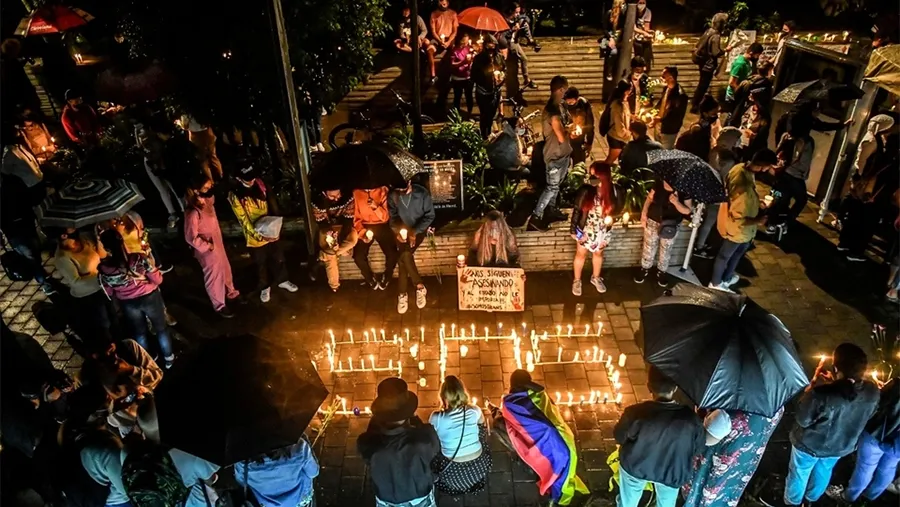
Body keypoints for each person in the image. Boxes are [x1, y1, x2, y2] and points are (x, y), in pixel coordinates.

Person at [761, 343, 880, 507]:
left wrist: (812, 387)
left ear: (836, 368)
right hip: (840, 446)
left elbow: (803, 419)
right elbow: (865, 411)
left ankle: (792, 502)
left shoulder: (822, 394)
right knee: (824, 471)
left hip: (809, 445)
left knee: (799, 472)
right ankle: (811, 500)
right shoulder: (872, 391)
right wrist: (834, 384)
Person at [491, 369, 589, 505]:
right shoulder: (541, 395)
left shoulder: (510, 403)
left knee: (557, 467)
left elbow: (511, 424)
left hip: (554, 442)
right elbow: (550, 413)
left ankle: (556, 495)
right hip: (565, 438)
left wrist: (494, 412)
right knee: (562, 465)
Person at [614, 366, 706, 507]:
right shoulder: (691, 419)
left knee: (628, 502)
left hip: (636, 466)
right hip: (672, 472)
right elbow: (698, 448)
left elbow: (619, 436)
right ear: (675, 388)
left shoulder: (635, 413)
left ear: (649, 387)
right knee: (666, 503)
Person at [358, 377, 441, 507]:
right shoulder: (424, 438)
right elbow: (435, 455)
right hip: (419, 495)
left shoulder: (368, 442)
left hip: (386, 497)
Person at [97, 230, 175, 369]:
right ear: (122, 241)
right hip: (150, 297)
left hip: (128, 303)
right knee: (161, 328)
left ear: (106, 248)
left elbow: (109, 292)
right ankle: (169, 358)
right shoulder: (139, 258)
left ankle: (147, 361)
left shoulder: (104, 269)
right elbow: (158, 280)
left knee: (139, 332)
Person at [683, 407, 784, 507]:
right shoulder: (775, 405)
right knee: (730, 483)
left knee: (708, 482)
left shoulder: (728, 413)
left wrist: (704, 415)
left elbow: (708, 436)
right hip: (747, 452)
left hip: (718, 450)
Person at [708, 150, 778, 291]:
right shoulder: (744, 189)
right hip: (738, 231)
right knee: (724, 256)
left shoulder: (739, 168)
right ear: (763, 166)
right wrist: (758, 221)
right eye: (769, 166)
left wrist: (757, 202)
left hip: (743, 230)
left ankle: (727, 278)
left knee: (738, 253)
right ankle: (715, 284)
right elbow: (738, 220)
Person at [228, 161, 298, 303]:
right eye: (247, 179)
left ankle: (282, 280)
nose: (251, 180)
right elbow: (244, 220)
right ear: (238, 178)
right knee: (260, 263)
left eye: (252, 177)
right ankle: (264, 287)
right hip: (254, 235)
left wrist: (275, 226)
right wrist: (259, 235)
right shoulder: (235, 195)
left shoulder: (260, 184)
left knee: (278, 257)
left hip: (270, 228)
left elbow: (272, 205)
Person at [827, 375, 899, 503]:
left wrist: (881, 390)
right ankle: (870, 495)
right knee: (888, 468)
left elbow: (881, 402)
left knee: (865, 467)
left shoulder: (897, 384)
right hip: (897, 445)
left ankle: (849, 496)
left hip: (877, 433)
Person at [837, 114, 897, 262]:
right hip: (866, 185)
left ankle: (845, 244)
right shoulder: (871, 141)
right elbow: (861, 162)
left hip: (865, 184)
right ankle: (853, 251)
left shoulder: (877, 139)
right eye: (888, 127)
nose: (890, 130)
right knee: (863, 219)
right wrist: (861, 179)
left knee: (856, 215)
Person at [80, 339, 164, 443]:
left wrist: (132, 370)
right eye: (104, 356)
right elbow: (95, 416)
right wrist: (111, 408)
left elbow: (158, 376)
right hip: (127, 424)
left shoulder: (128, 347)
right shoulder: (88, 377)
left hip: (154, 412)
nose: (114, 357)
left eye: (112, 350)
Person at [185, 178, 240, 317]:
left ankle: (231, 292)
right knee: (214, 276)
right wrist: (208, 246)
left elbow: (212, 195)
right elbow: (190, 237)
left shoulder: (207, 202)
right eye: (206, 187)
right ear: (196, 190)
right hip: (207, 249)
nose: (209, 189)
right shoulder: (193, 212)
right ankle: (219, 304)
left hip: (217, 242)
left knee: (225, 268)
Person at [428, 376, 491, 495]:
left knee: (434, 448)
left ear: (443, 397)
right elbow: (482, 425)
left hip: (452, 472)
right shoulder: (474, 410)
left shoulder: (437, 417)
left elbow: (431, 436)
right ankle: (472, 483)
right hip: (480, 465)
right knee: (480, 433)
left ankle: (455, 488)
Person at [54, 228, 115, 346]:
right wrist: (101, 277)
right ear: (63, 236)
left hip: (103, 287)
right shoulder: (62, 258)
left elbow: (102, 255)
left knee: (113, 316)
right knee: (104, 323)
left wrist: (98, 241)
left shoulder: (85, 238)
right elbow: (75, 281)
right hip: (89, 295)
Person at [530, 75, 573, 231]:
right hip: (554, 155)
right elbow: (561, 136)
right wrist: (569, 130)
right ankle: (536, 216)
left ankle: (552, 210)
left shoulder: (561, 107)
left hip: (563, 153)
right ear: (560, 90)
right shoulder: (552, 112)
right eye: (565, 90)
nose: (566, 93)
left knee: (556, 185)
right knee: (552, 187)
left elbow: (569, 123)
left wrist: (570, 128)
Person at [0, 172, 52, 294]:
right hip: (14, 230)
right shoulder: (12, 180)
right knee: (30, 256)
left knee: (34, 252)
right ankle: (43, 281)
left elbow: (26, 197)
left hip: (25, 223)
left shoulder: (12, 180)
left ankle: (41, 275)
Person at [635, 177, 692, 287]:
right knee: (649, 247)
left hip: (671, 224)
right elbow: (650, 198)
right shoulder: (659, 182)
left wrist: (676, 202)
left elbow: (687, 210)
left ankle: (661, 271)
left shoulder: (684, 188)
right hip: (653, 220)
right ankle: (645, 268)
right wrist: (644, 214)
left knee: (666, 249)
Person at [389, 180, 435, 314]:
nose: (402, 193)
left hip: (418, 230)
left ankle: (402, 293)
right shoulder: (393, 196)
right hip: (402, 231)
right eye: (399, 191)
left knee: (404, 255)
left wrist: (414, 232)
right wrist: (398, 231)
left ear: (409, 183)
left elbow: (430, 216)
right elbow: (393, 218)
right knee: (405, 255)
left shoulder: (422, 193)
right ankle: (419, 286)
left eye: (405, 190)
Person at [570, 162, 616, 295]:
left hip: (602, 228)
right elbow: (577, 210)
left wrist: (609, 226)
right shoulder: (586, 190)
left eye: (594, 175)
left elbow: (616, 210)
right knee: (581, 254)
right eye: (591, 175)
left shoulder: (612, 191)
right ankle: (577, 280)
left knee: (598, 253)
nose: (591, 178)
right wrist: (573, 230)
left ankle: (595, 277)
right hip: (586, 228)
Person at [234, 438, 320, 507]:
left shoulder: (243, 459)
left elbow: (241, 481)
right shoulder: (298, 446)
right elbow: (313, 472)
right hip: (300, 501)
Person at [136, 124, 185, 230]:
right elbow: (140, 149)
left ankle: (184, 210)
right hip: (151, 163)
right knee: (162, 189)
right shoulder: (146, 141)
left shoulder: (157, 140)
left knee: (174, 187)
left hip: (162, 162)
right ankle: (172, 213)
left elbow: (157, 151)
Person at [692, 147, 739, 260]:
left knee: (707, 222)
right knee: (708, 223)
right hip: (717, 199)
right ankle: (699, 247)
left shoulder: (713, 165)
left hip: (711, 197)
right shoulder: (726, 168)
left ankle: (699, 243)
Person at [767, 126, 814, 231]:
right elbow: (804, 163)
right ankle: (785, 222)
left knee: (779, 196)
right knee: (801, 199)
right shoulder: (806, 142)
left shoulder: (786, 135)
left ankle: (771, 223)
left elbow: (778, 151)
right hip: (794, 175)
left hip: (781, 172)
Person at [353, 185, 400, 291]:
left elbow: (385, 217)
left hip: (382, 225)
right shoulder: (356, 193)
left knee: (392, 253)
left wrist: (376, 207)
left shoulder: (383, 190)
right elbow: (356, 218)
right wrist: (362, 233)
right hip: (365, 225)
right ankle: (369, 278)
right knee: (358, 256)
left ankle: (387, 276)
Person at [312, 185, 357, 292]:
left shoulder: (348, 198)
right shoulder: (317, 203)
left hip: (343, 228)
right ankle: (334, 285)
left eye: (338, 195)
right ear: (324, 193)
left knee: (352, 240)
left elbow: (348, 221)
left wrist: (339, 243)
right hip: (327, 230)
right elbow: (322, 224)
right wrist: (332, 239)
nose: (336, 198)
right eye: (332, 196)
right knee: (330, 255)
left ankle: (325, 255)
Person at [77, 428, 131, 507]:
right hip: (121, 500)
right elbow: (125, 489)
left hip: (106, 500)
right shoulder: (110, 453)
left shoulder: (84, 450)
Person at [691, 13, 730, 113]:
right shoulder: (716, 35)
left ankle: (695, 104)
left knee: (701, 85)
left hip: (702, 62)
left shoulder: (708, 31)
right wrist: (726, 50)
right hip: (708, 65)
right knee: (703, 86)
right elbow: (715, 52)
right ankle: (695, 106)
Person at [472, 35, 505, 138]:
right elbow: (473, 76)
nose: (491, 51)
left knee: (491, 115)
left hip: (495, 91)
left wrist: (501, 77)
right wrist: (487, 74)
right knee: (484, 115)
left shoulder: (499, 57)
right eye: (488, 48)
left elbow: (504, 70)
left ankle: (489, 134)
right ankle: (483, 136)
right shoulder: (478, 59)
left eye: (493, 48)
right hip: (483, 92)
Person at [502, 2, 538, 89]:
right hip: (507, 43)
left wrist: (529, 39)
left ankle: (526, 79)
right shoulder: (504, 20)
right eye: (516, 12)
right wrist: (512, 30)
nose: (518, 14)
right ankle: (526, 79)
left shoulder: (517, 19)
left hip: (515, 42)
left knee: (523, 60)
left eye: (519, 12)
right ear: (511, 11)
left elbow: (525, 19)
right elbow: (503, 35)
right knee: (521, 60)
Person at [728, 60, 774, 129]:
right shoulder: (767, 84)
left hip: (740, 110)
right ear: (769, 71)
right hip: (756, 115)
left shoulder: (747, 81)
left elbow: (736, 94)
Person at [676, 95, 720, 161]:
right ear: (705, 114)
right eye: (714, 113)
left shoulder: (707, 126)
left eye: (717, 113)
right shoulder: (697, 129)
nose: (716, 116)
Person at [653, 66, 688, 149]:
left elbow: (675, 117)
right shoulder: (666, 88)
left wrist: (660, 120)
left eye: (663, 76)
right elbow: (661, 103)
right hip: (659, 126)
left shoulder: (680, 95)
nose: (661, 78)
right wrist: (653, 113)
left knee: (665, 151)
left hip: (669, 130)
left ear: (671, 78)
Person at [181, 114, 222, 181]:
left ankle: (214, 179)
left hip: (197, 134)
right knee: (212, 156)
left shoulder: (184, 112)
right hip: (205, 131)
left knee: (204, 159)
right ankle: (220, 176)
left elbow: (185, 126)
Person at [725, 43, 764, 109]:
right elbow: (731, 82)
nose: (757, 57)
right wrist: (740, 92)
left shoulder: (747, 62)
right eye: (757, 55)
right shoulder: (740, 64)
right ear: (751, 53)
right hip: (733, 96)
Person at [604, 80, 633, 165]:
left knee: (621, 159)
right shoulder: (617, 105)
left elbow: (625, 115)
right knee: (610, 160)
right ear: (626, 91)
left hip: (621, 137)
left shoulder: (624, 102)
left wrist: (632, 117)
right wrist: (628, 134)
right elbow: (618, 123)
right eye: (630, 89)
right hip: (617, 136)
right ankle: (599, 171)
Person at [429, 0, 458, 83]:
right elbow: (433, 31)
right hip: (437, 39)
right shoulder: (434, 14)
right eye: (440, 2)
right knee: (429, 50)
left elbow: (455, 31)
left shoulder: (453, 14)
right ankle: (433, 75)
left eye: (444, 3)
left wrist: (448, 42)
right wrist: (440, 41)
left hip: (449, 38)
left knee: (452, 51)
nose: (442, 4)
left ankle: (448, 75)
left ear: (447, 3)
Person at [564, 87, 595, 165]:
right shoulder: (561, 105)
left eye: (571, 102)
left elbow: (590, 125)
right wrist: (568, 131)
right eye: (567, 102)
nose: (569, 104)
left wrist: (589, 143)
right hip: (565, 141)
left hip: (579, 141)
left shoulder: (584, 104)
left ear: (577, 99)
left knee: (579, 165)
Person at [448, 34, 475, 116]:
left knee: (469, 96)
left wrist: (472, 60)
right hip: (457, 78)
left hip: (468, 77)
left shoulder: (469, 49)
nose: (467, 42)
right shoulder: (454, 51)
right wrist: (463, 62)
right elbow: (452, 64)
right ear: (461, 41)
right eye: (465, 40)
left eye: (467, 40)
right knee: (457, 97)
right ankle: (456, 115)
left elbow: (471, 60)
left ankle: (470, 113)